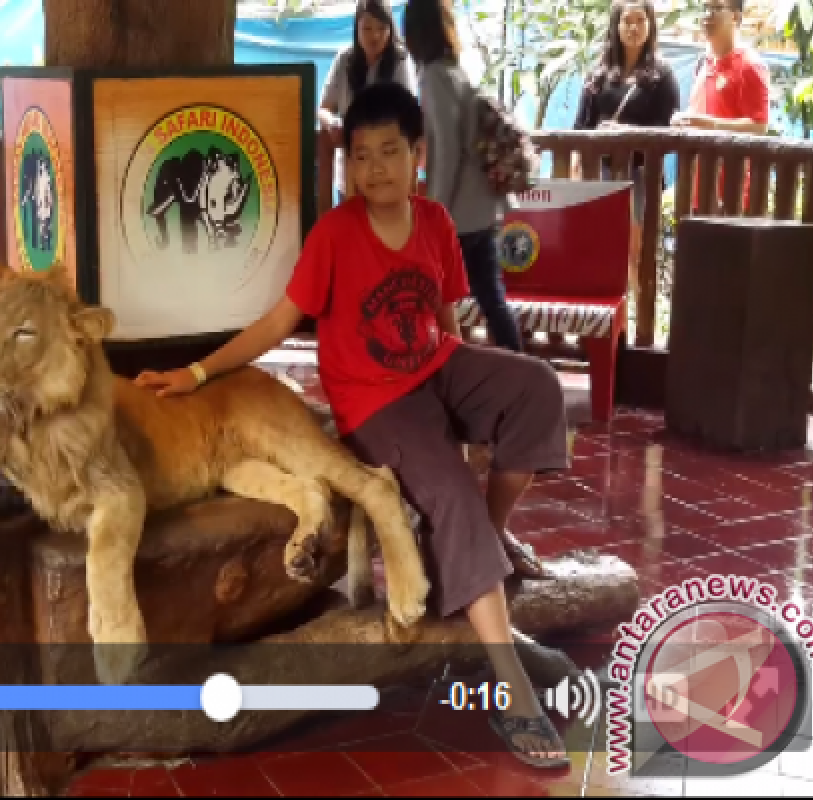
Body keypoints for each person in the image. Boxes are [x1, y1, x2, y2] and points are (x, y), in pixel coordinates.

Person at [134, 82, 571, 770]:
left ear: (417, 155)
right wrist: (194, 374)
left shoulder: (432, 222)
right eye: (360, 156)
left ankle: (481, 545)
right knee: (450, 493)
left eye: (389, 152)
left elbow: (449, 318)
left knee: (538, 387)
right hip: (377, 404)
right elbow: (280, 322)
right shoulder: (335, 234)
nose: (373, 169)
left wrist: (467, 392)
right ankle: (510, 683)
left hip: (437, 367)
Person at [402, 0, 521, 354]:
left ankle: (442, 369)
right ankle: (518, 366)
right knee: (489, 296)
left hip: (460, 214)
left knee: (434, 297)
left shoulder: (434, 76)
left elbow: (448, 152)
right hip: (478, 207)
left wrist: (434, 214)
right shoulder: (454, 70)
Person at [571, 0, 680, 288]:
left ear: (650, 25)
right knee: (599, 250)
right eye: (627, 20)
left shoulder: (663, 77)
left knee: (635, 254)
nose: (633, 27)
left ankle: (635, 323)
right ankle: (607, 324)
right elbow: (580, 127)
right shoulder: (599, 74)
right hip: (600, 176)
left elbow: (667, 132)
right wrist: (577, 164)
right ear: (616, 26)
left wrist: (625, 132)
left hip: (640, 177)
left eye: (640, 20)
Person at [317, 0, 418, 212]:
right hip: (349, 171)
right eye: (367, 28)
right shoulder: (344, 60)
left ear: (391, 29)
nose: (375, 36)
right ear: (356, 28)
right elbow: (323, 109)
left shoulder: (400, 60)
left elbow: (408, 115)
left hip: (388, 171)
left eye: (382, 28)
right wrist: (332, 123)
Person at [671, 0, 770, 211]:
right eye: (705, 8)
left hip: (732, 190)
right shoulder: (703, 62)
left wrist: (707, 124)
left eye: (716, 8)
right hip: (697, 184)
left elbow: (759, 127)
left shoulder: (750, 65)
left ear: (736, 17)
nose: (708, 14)